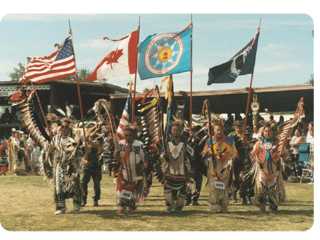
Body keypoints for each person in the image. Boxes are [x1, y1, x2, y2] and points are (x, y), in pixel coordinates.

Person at [203, 120, 237, 213]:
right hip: (214, 166)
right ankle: (214, 204)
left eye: (220, 130)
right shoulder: (210, 140)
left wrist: (229, 159)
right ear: (213, 130)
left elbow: (234, 153)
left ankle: (223, 205)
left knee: (224, 185)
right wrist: (211, 152)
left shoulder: (229, 140)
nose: (219, 132)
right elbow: (204, 153)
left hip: (225, 166)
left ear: (223, 130)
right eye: (217, 130)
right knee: (214, 185)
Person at [51, 117, 82, 215]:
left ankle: (76, 205)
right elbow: (51, 149)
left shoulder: (72, 139)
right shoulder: (55, 138)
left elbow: (73, 150)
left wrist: (70, 152)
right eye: (62, 127)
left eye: (66, 127)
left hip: (71, 166)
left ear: (69, 129)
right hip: (59, 166)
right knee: (59, 187)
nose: (64, 129)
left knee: (74, 185)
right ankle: (61, 207)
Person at [161, 120, 192, 213]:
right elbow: (161, 155)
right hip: (169, 171)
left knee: (182, 191)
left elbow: (191, 154)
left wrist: (188, 165)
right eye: (173, 130)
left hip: (181, 171)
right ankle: (169, 205)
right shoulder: (166, 143)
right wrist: (163, 157)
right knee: (168, 190)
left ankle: (179, 206)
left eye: (178, 130)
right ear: (170, 131)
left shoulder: (185, 143)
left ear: (181, 131)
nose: (175, 132)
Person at [114, 124, 146, 214]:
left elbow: (144, 159)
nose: (128, 137)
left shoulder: (139, 145)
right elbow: (116, 158)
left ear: (134, 135)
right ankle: (122, 205)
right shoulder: (121, 144)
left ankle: (131, 204)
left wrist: (142, 167)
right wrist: (116, 152)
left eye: (130, 135)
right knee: (121, 200)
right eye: (126, 135)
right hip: (124, 175)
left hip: (136, 176)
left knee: (131, 202)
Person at [251, 124, 281, 212]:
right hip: (262, 168)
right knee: (261, 188)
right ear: (263, 132)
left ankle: (273, 206)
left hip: (273, 167)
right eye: (266, 131)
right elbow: (253, 154)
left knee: (272, 188)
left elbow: (283, 154)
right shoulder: (259, 143)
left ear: (272, 133)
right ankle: (262, 206)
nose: (268, 133)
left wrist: (278, 153)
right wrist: (257, 159)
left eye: (269, 131)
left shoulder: (277, 143)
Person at [81, 141, 103, 207]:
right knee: (83, 183)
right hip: (87, 168)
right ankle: (83, 199)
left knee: (97, 184)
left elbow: (100, 148)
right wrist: (84, 161)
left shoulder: (98, 150)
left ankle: (96, 199)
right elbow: (83, 158)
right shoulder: (87, 149)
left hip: (96, 168)